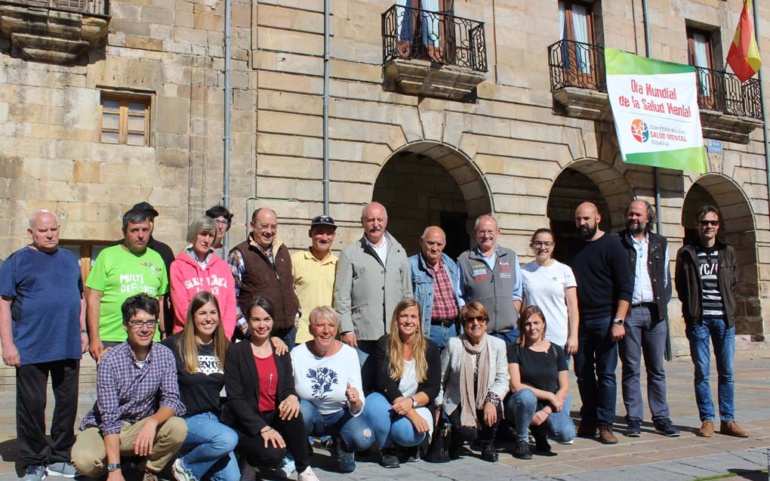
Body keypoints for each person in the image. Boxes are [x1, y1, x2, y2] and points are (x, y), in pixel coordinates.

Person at [0, 210, 87, 481]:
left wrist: (83, 330)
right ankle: (33, 460)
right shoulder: (16, 262)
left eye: (53, 229)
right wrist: (7, 344)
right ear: (31, 233)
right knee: (32, 406)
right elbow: (4, 304)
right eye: (42, 231)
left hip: (67, 343)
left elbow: (80, 297)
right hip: (31, 347)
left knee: (67, 404)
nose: (49, 235)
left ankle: (60, 456)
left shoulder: (70, 260)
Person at [71, 294, 187, 481]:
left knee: (177, 427)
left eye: (150, 323)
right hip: (104, 428)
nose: (145, 329)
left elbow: (172, 399)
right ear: (125, 325)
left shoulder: (164, 355)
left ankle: (146, 469)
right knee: (84, 461)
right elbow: (109, 418)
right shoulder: (110, 360)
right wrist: (114, 470)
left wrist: (152, 422)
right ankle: (112, 467)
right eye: (137, 323)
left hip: (140, 425)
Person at [223, 298, 319, 481]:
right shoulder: (236, 352)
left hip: (273, 416)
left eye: (266, 319)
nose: (261, 325)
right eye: (256, 320)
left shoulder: (280, 350)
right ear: (249, 321)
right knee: (274, 453)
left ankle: (304, 469)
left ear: (273, 321)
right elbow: (235, 399)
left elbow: (288, 387)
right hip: (246, 422)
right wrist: (262, 428)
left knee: (293, 411)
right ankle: (246, 457)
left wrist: (291, 397)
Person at [675, 205, 747, 438]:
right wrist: (691, 316)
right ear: (697, 225)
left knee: (727, 372)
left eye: (713, 223)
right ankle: (707, 419)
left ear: (718, 226)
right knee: (702, 372)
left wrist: (730, 309)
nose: (709, 226)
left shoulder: (728, 251)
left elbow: (733, 283)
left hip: (724, 321)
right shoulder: (686, 253)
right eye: (705, 222)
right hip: (700, 321)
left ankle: (728, 420)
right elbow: (681, 287)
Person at [566, 202, 632, 445]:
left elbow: (625, 287)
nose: (582, 223)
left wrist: (618, 320)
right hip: (579, 321)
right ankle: (589, 419)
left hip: (605, 319)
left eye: (587, 218)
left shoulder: (613, 245)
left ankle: (605, 424)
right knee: (583, 374)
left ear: (598, 218)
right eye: (579, 219)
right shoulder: (572, 247)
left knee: (606, 374)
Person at [618, 200, 679, 437]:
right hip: (630, 311)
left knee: (657, 368)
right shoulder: (619, 242)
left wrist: (663, 302)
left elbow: (665, 277)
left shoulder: (660, 243)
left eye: (638, 214)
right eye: (630, 214)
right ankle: (633, 417)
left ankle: (661, 417)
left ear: (648, 218)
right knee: (631, 367)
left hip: (655, 312)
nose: (633, 218)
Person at [162, 292, 239, 481]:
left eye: (213, 313)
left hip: (213, 421)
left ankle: (189, 463)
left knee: (232, 478)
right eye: (202, 313)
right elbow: (146, 355)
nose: (208, 318)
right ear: (192, 317)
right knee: (228, 439)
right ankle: (184, 467)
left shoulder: (224, 347)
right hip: (184, 419)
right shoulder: (174, 344)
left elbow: (251, 353)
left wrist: (273, 340)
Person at [291, 306, 374, 473]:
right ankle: (299, 449)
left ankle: (344, 446)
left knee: (364, 438)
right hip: (312, 413)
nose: (326, 331)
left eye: (331, 326)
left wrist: (355, 401)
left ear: (337, 330)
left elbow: (359, 403)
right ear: (310, 329)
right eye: (320, 325)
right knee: (300, 410)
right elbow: (287, 389)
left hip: (341, 414)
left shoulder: (349, 354)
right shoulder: (297, 354)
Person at [363, 299, 440, 469]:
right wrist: (410, 412)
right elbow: (384, 382)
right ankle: (387, 448)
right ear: (396, 320)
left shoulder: (431, 348)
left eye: (413, 316)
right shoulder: (384, 343)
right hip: (390, 401)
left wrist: (411, 403)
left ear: (419, 321)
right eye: (403, 316)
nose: (408, 321)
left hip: (417, 403)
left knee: (407, 433)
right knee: (372, 404)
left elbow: (433, 388)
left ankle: (410, 446)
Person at [334, 202, 412, 366]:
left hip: (394, 332)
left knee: (393, 379)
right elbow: (342, 296)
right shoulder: (350, 253)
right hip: (362, 334)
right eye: (370, 220)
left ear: (386, 221)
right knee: (363, 381)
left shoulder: (399, 251)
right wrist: (346, 329)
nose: (375, 224)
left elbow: (407, 293)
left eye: (379, 220)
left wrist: (408, 325)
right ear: (363, 222)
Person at [87, 209, 169, 362]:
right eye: (134, 230)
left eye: (145, 230)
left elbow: (161, 300)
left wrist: (163, 334)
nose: (140, 235)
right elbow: (93, 299)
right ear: (125, 232)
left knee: (150, 386)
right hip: (113, 338)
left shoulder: (157, 258)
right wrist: (94, 337)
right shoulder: (107, 255)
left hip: (149, 337)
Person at [437, 301, 509, 462]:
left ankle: (487, 444)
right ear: (464, 324)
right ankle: (455, 438)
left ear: (486, 322)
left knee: (494, 406)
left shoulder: (497, 345)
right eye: (470, 320)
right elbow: (442, 378)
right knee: (469, 433)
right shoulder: (454, 344)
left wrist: (492, 399)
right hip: (458, 400)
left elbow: (503, 379)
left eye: (480, 319)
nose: (476, 323)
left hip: (484, 399)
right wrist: (438, 406)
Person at [504, 306, 574, 460]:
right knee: (527, 396)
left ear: (543, 324)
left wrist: (546, 411)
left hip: (546, 406)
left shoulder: (556, 350)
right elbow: (516, 385)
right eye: (527, 324)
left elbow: (564, 387)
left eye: (536, 323)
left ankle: (539, 433)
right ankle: (522, 440)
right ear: (522, 326)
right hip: (520, 404)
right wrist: (550, 395)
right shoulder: (514, 350)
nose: (532, 328)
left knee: (567, 434)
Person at [228, 208, 300, 348]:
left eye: (273, 226)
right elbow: (231, 299)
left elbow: (291, 286)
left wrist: (295, 318)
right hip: (257, 335)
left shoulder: (282, 250)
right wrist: (248, 331)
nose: (269, 231)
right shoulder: (239, 254)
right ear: (253, 225)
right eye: (264, 226)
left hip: (287, 333)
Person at [457, 214, 523, 344]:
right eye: (482, 231)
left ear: (498, 233)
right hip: (480, 332)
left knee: (511, 365)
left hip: (510, 332)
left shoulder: (510, 256)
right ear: (475, 233)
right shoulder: (465, 259)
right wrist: (471, 320)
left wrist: (512, 312)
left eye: (490, 231)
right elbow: (460, 296)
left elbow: (517, 291)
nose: (486, 236)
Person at [170, 216, 237, 341]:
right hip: (188, 338)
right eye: (203, 234)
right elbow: (181, 307)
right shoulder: (178, 266)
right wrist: (201, 335)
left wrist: (224, 336)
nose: (207, 240)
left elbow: (230, 305)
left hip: (219, 339)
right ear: (194, 234)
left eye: (211, 236)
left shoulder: (223, 267)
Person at [114, 202, 175, 337]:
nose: (141, 233)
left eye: (151, 220)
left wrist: (165, 331)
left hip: (151, 331)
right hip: (117, 332)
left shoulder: (163, 252)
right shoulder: (113, 250)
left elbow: (165, 297)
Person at [521, 228, 578, 356]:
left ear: (553, 246)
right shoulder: (523, 272)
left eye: (547, 243)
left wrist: (573, 336)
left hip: (559, 337)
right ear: (532, 245)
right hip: (533, 336)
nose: (542, 247)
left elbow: (573, 307)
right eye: (538, 243)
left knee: (560, 376)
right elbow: (522, 305)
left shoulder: (564, 270)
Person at [409, 226, 462, 350]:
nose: (435, 248)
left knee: (452, 369)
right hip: (429, 330)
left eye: (439, 244)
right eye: (430, 243)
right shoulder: (410, 266)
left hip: (453, 330)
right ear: (421, 242)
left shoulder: (451, 265)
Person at [291, 215, 338, 345]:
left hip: (329, 337)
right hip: (301, 336)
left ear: (334, 236)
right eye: (319, 233)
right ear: (310, 234)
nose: (324, 237)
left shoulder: (339, 264)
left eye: (329, 233)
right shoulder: (296, 260)